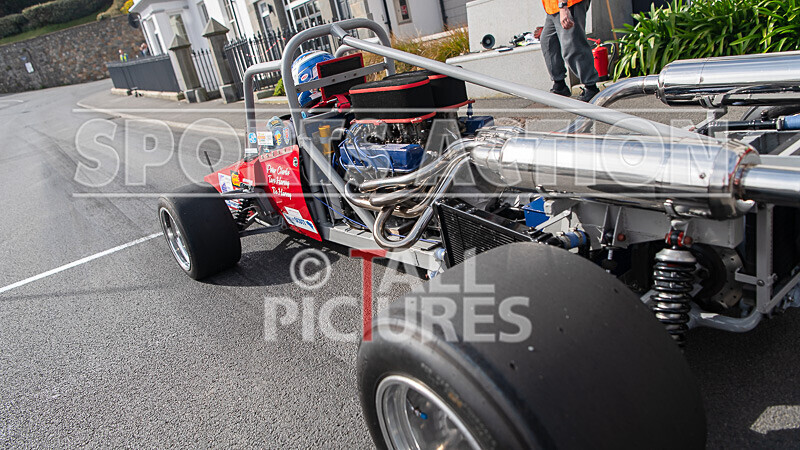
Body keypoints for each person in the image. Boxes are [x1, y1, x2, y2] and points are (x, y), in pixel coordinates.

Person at [540, 0, 600, 102]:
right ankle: (560, 85)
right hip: (553, 7)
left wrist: (563, 6)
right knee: (548, 42)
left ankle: (591, 88)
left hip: (568, 5)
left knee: (573, 46)